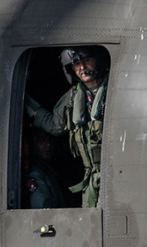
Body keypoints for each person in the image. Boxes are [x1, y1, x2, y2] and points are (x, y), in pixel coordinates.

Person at [25, 47, 108, 207]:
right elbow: (54, 126)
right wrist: (24, 100)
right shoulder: (74, 96)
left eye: (86, 60)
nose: (82, 67)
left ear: (97, 60)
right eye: (76, 63)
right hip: (92, 177)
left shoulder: (113, 88)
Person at [25, 127, 67, 209]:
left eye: (49, 140)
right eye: (41, 140)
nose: (48, 144)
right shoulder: (35, 174)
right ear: (32, 145)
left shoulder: (47, 170)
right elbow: (41, 210)